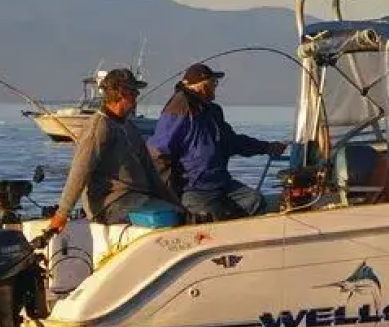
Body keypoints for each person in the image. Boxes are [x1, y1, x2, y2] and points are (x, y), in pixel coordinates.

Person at [47, 67, 180, 232]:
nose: (137, 98)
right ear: (122, 93)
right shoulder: (99, 128)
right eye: (134, 93)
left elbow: (151, 173)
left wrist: (176, 203)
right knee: (166, 218)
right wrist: (62, 214)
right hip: (110, 204)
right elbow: (79, 171)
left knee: (179, 214)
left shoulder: (130, 127)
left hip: (139, 198)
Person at [150, 62, 287, 220]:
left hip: (222, 183)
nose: (215, 87)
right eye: (213, 83)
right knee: (211, 217)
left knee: (255, 200)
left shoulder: (213, 111)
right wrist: (169, 192)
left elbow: (233, 142)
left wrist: (267, 147)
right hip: (193, 189)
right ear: (201, 86)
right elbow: (159, 151)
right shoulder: (179, 106)